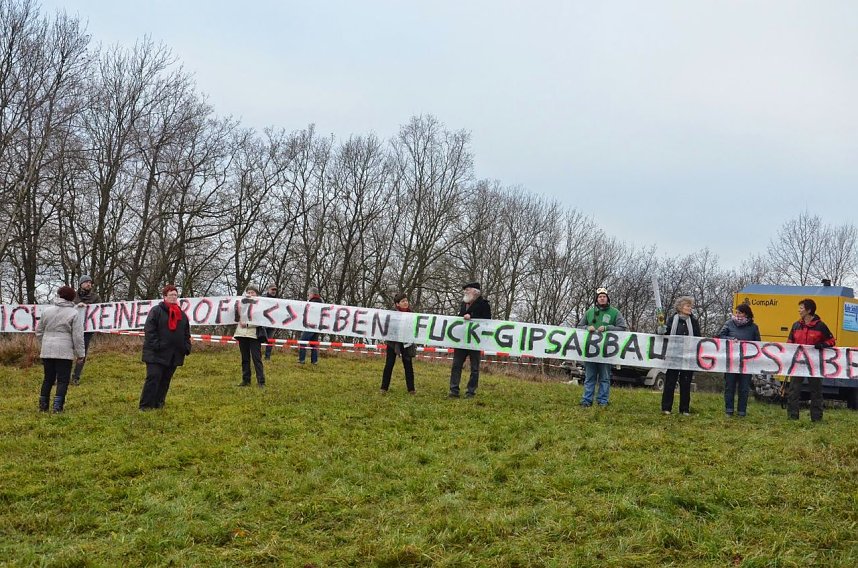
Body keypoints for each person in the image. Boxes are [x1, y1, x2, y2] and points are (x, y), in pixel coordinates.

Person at [139, 285, 191, 410]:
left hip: (174, 354)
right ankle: (146, 405)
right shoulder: (156, 311)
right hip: (156, 353)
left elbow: (186, 333)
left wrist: (186, 347)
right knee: (153, 378)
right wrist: (157, 345)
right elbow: (149, 330)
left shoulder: (182, 315)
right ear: (164, 297)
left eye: (175, 295)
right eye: (171, 295)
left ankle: (159, 404)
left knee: (165, 380)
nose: (173, 297)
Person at [35, 286, 86, 413]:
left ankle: (43, 405)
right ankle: (57, 407)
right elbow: (78, 336)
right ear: (72, 298)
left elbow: (39, 331)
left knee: (48, 379)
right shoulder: (73, 313)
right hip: (64, 352)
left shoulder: (47, 311)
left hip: (47, 351)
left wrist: (45, 343)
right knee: (63, 380)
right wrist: (80, 354)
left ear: (59, 295)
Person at [576, 287, 628, 407]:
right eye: (600, 297)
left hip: (606, 351)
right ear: (597, 299)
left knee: (604, 377)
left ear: (607, 299)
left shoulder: (615, 312)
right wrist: (586, 328)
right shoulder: (589, 312)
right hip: (591, 351)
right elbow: (579, 326)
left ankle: (603, 401)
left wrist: (607, 328)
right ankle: (586, 401)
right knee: (589, 377)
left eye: (604, 296)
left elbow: (622, 328)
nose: (602, 298)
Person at [786, 298, 835, 422]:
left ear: (808, 310)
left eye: (801, 308)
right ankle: (792, 417)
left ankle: (816, 418)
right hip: (798, 364)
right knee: (793, 390)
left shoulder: (821, 326)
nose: (799, 310)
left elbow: (831, 341)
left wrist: (823, 345)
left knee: (816, 391)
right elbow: (789, 342)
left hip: (815, 364)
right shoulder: (796, 325)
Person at [449, 282, 492, 398]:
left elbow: (487, 321)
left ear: (475, 292)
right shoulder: (464, 303)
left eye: (468, 290)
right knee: (456, 365)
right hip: (461, 340)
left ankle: (471, 391)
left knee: (474, 368)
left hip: (475, 341)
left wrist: (472, 317)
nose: (465, 292)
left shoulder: (484, 305)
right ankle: (454, 390)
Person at [659, 296, 701, 416]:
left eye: (690, 306)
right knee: (670, 382)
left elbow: (698, 337)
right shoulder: (672, 319)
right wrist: (660, 330)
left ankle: (684, 409)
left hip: (688, 357)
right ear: (680, 307)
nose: (690, 308)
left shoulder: (693, 321)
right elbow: (665, 333)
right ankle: (666, 408)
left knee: (686, 383)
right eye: (688, 306)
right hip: (673, 356)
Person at [718, 303, 761, 417]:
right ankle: (729, 410)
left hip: (746, 362)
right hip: (731, 361)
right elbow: (720, 336)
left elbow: (758, 344)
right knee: (729, 386)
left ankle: (742, 411)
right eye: (736, 312)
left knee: (744, 388)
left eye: (740, 313)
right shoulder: (729, 324)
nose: (737, 315)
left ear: (746, 314)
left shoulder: (753, 327)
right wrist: (731, 339)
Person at [380, 293, 416, 394]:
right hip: (393, 343)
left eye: (406, 300)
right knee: (389, 364)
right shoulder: (392, 315)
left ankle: (411, 389)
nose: (405, 303)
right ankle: (384, 388)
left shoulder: (412, 315)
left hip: (407, 343)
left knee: (408, 366)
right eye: (403, 301)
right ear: (397, 304)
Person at [235, 284, 268, 387]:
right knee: (245, 358)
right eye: (248, 292)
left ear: (256, 294)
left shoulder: (260, 306)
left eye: (252, 292)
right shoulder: (242, 304)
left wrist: (248, 324)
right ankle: (246, 380)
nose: (250, 294)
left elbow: (261, 320)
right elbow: (236, 316)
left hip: (254, 335)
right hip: (241, 334)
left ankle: (261, 381)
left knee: (256, 359)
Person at [72, 274, 101, 385]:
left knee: (82, 353)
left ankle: (76, 377)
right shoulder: (73, 296)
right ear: (81, 284)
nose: (89, 284)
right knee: (67, 352)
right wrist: (76, 306)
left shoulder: (95, 298)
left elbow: (100, 311)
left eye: (90, 282)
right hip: (72, 329)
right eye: (86, 282)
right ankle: (61, 375)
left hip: (87, 330)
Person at [298, 287, 323, 364]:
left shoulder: (313, 302)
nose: (308, 296)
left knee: (302, 341)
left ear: (312, 294)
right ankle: (314, 361)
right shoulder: (321, 302)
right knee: (314, 344)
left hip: (311, 325)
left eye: (308, 294)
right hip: (317, 326)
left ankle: (301, 359)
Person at [262, 284, 279, 360]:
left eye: (275, 290)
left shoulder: (278, 300)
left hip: (272, 324)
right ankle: (257, 354)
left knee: (270, 340)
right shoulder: (262, 298)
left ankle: (267, 357)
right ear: (268, 289)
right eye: (272, 289)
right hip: (263, 323)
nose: (274, 291)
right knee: (259, 339)